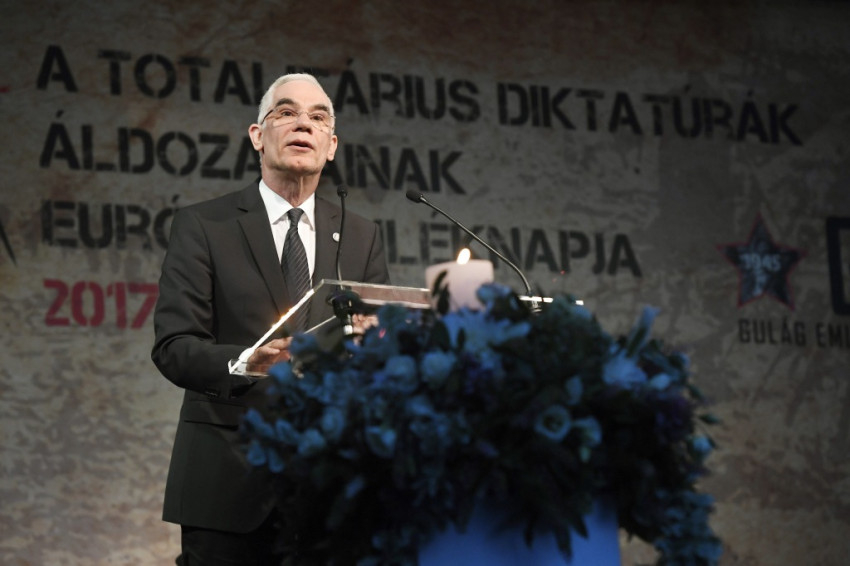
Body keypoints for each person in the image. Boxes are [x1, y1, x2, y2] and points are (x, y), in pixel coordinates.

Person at [151, 73, 390, 565]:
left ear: (331, 146)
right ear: (258, 136)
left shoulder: (362, 235)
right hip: (228, 483)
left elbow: (378, 349)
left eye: (318, 117)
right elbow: (174, 345)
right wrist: (246, 363)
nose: (303, 123)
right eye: (286, 112)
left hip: (331, 488)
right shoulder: (204, 225)